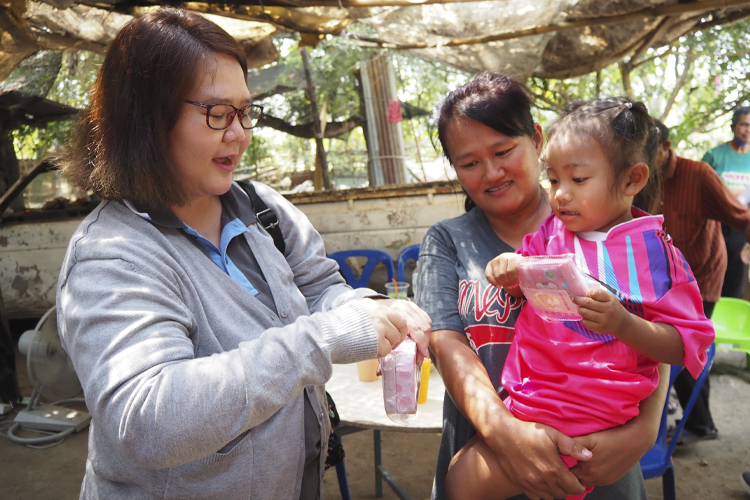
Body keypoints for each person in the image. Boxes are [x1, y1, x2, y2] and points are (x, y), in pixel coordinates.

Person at [54, 9, 431, 500]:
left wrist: (365, 309)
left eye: (245, 111)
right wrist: (322, 339)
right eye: (216, 114)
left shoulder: (260, 208)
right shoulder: (112, 257)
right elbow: (148, 417)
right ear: (147, 121)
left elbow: (318, 287)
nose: (239, 133)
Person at [443, 98, 715, 500]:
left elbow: (686, 344)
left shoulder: (654, 255)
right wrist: (510, 270)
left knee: (461, 481)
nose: (561, 195)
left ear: (631, 180)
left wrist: (624, 324)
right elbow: (531, 285)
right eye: (553, 180)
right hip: (532, 398)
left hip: (585, 411)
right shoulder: (553, 232)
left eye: (578, 180)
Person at [655, 118, 750, 443]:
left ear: (665, 149)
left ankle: (699, 423)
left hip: (702, 275)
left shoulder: (698, 174)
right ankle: (686, 422)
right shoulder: (636, 177)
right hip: (663, 279)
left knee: (687, 345)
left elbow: (741, 216)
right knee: (662, 346)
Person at [701, 106, 750, 299]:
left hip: (742, 229)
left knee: (736, 280)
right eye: (744, 125)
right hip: (715, 227)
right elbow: (700, 191)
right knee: (711, 277)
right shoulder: (714, 156)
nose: (748, 130)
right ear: (733, 126)